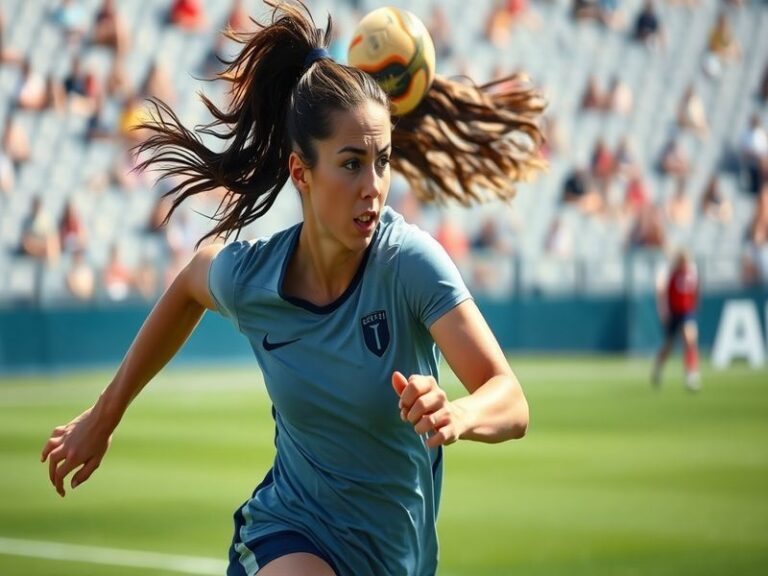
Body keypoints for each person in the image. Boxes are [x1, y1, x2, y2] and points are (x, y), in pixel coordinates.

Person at [41, 3, 544, 575]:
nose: (373, 186)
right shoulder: (253, 278)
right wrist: (103, 418)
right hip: (289, 533)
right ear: (302, 173)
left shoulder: (410, 264)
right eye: (351, 164)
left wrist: (459, 412)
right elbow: (187, 286)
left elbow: (511, 399)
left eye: (382, 162)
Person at [652, 250, 701, 390]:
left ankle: (691, 374)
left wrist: (695, 305)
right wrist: (663, 311)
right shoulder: (670, 273)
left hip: (687, 312)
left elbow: (696, 290)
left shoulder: (692, 272)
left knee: (690, 340)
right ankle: (658, 367)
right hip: (674, 312)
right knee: (669, 346)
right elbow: (661, 291)